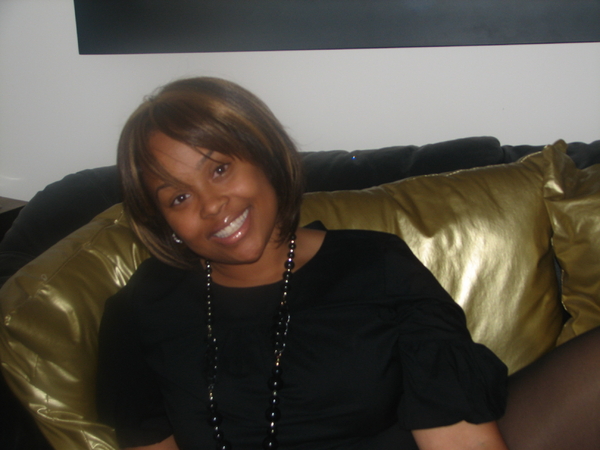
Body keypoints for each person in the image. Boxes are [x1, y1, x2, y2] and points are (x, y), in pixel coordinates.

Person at [96, 77, 600, 450]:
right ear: (163, 223)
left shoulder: (376, 267)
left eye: (220, 169)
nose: (211, 205)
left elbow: (456, 434)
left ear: (265, 155)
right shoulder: (144, 308)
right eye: (179, 198)